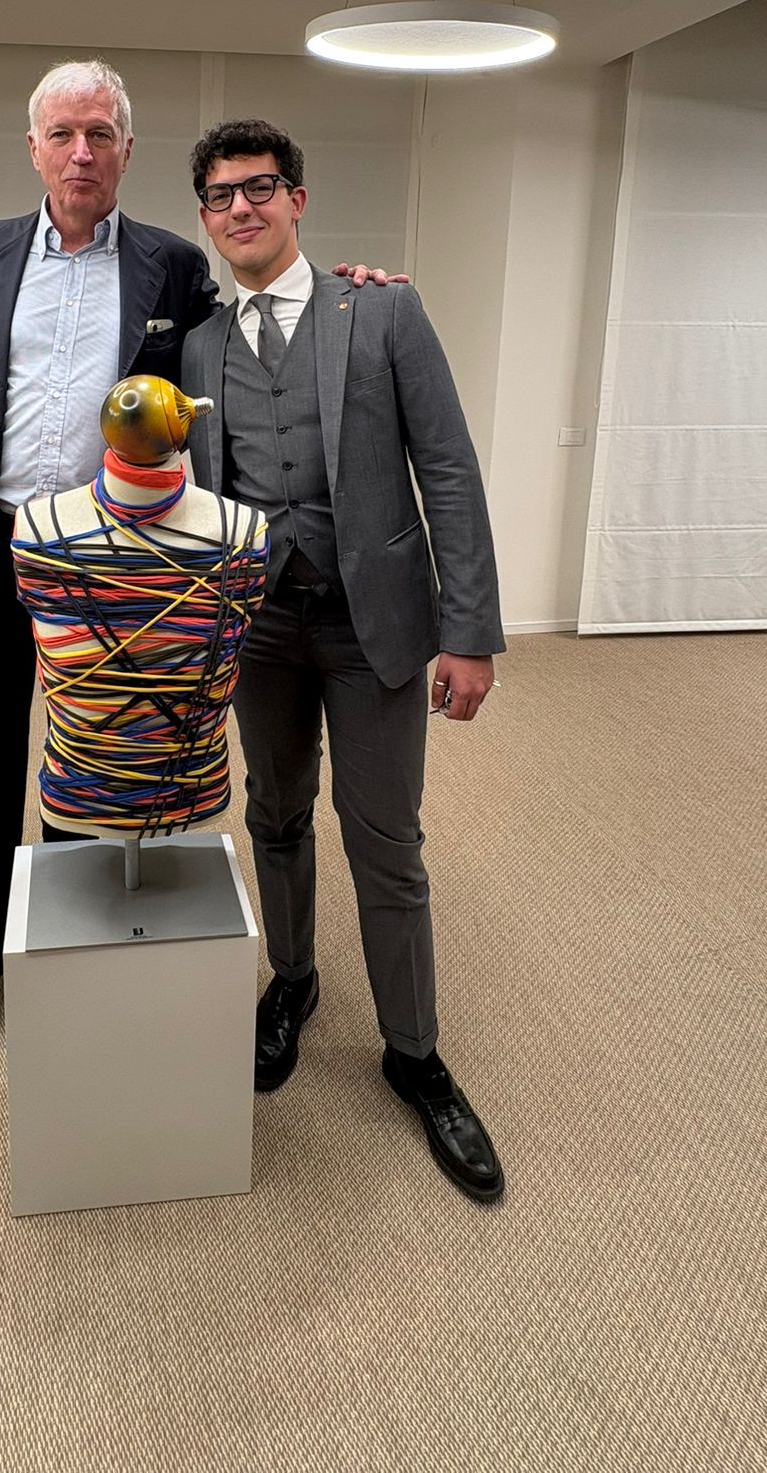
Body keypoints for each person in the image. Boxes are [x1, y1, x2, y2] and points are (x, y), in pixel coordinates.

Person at [0, 63, 400, 1094]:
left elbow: (248, 336)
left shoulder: (172, 265)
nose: (80, 151)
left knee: (102, 749)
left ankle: (78, 949)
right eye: (61, 133)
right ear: (34, 147)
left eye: (100, 133)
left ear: (127, 151)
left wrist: (349, 289)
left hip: (116, 560)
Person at [182, 117, 508, 1203]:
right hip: (261, 627)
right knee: (274, 815)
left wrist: (469, 629)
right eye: (222, 194)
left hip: (377, 625)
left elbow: (448, 466)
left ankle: (415, 1055)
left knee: (387, 842)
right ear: (205, 216)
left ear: (298, 199)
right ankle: (293, 981)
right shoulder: (198, 346)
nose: (242, 207)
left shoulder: (381, 310)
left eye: (260, 186)